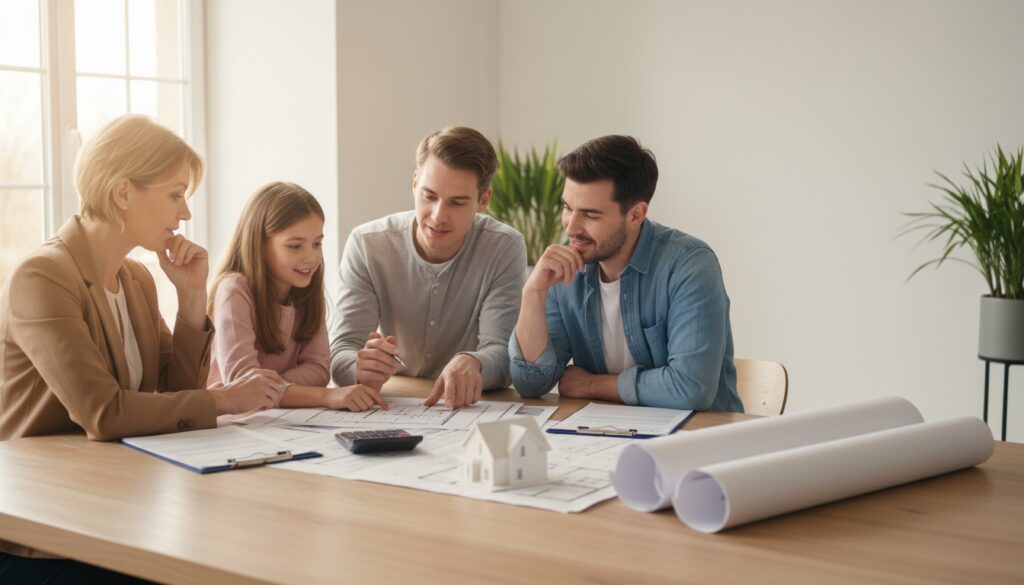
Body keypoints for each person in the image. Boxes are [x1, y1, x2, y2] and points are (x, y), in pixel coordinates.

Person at [0, 116, 283, 578]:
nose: (185, 213)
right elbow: (104, 413)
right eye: (175, 194)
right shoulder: (43, 276)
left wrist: (192, 300)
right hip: (44, 533)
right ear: (123, 192)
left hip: (116, 505)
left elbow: (171, 395)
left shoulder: (137, 279)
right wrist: (224, 399)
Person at [509, 135, 743, 412]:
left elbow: (690, 388)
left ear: (635, 215)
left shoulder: (689, 265)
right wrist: (533, 293)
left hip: (695, 442)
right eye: (568, 208)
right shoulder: (564, 271)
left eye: (590, 215)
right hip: (602, 437)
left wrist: (591, 385)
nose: (571, 227)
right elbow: (531, 383)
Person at [330, 126, 526, 409]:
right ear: (414, 184)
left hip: (465, 408)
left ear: (483, 201)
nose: (438, 216)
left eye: (457, 203)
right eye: (429, 196)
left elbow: (503, 357)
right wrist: (360, 367)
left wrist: (475, 362)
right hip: (394, 403)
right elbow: (341, 352)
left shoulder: (504, 247)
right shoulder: (367, 244)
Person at [208, 181, 388, 411]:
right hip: (231, 422)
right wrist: (325, 397)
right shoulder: (234, 290)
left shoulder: (306, 290)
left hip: (279, 418)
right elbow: (243, 385)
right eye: (295, 246)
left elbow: (319, 370)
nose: (311, 258)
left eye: (317, 243)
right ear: (259, 245)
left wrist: (274, 388)